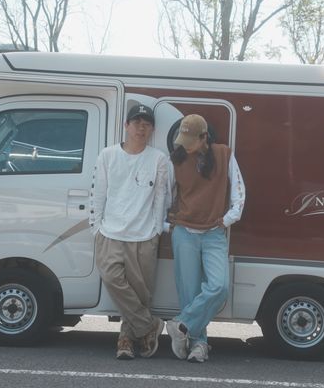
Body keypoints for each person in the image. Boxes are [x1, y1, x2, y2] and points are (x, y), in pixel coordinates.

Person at [89, 104, 168, 360]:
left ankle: (126, 340)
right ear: (126, 126)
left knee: (140, 293)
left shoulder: (158, 158)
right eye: (136, 123)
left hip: (144, 236)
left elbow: (161, 196)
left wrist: (156, 230)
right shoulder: (108, 155)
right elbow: (98, 193)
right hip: (110, 233)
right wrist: (96, 228)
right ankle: (148, 326)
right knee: (112, 278)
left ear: (152, 129)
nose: (141, 128)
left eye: (146, 124)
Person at [165, 114, 245, 363]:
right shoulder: (176, 159)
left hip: (213, 232)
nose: (185, 146)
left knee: (219, 287)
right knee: (189, 294)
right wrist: (166, 224)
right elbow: (165, 195)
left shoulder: (224, 154)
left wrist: (229, 218)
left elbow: (239, 191)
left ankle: (181, 325)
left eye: (190, 141)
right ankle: (199, 344)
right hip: (184, 233)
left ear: (204, 137)